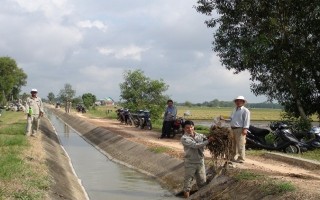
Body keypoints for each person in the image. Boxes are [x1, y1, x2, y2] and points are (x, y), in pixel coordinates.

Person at [181, 120, 214, 198]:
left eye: (191, 127)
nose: (190, 129)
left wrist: (210, 138)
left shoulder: (200, 136)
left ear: (194, 127)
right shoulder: (184, 138)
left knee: (202, 183)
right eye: (187, 128)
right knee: (187, 184)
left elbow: (207, 139)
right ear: (184, 129)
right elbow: (195, 145)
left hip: (200, 162)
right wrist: (208, 140)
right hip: (190, 163)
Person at [229, 95, 250, 163]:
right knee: (233, 144)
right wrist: (223, 119)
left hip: (240, 129)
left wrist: (245, 129)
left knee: (240, 144)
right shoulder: (234, 110)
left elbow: (247, 120)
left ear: (243, 102)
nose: (238, 102)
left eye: (240, 101)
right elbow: (231, 119)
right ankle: (233, 157)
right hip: (233, 129)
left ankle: (241, 159)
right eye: (237, 101)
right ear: (235, 102)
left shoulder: (245, 110)